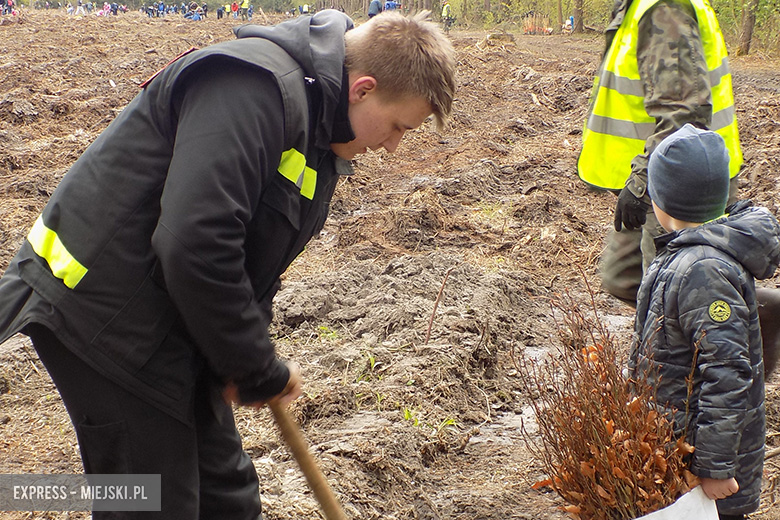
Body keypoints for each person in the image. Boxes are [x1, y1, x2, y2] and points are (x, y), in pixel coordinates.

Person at [0, 10, 455, 520]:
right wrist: (253, 364)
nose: (393, 145)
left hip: (170, 320)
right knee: (153, 501)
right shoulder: (253, 87)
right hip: (101, 316)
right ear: (364, 88)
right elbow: (196, 242)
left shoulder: (319, 133)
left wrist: (241, 355)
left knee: (228, 501)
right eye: (398, 126)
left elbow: (253, 257)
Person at [629, 124, 780, 520]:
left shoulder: (703, 269)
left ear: (664, 201)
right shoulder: (687, 256)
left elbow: (727, 372)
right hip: (680, 443)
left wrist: (714, 468)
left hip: (705, 463)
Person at [578, 0, 741, 305]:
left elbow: (684, 114)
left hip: (679, 182)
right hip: (651, 176)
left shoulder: (665, 8)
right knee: (624, 279)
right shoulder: (638, 6)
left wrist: (641, 181)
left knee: (674, 300)